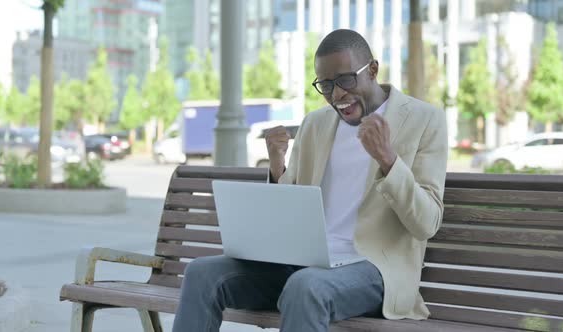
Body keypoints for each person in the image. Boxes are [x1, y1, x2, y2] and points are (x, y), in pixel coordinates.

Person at [172, 28, 448, 332]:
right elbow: (291, 206)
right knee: (202, 272)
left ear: (372, 70)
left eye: (345, 80)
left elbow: (427, 222)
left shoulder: (424, 120)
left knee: (307, 286)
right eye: (326, 85)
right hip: (305, 263)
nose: (337, 95)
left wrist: (388, 160)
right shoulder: (315, 124)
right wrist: (278, 167)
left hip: (375, 269)